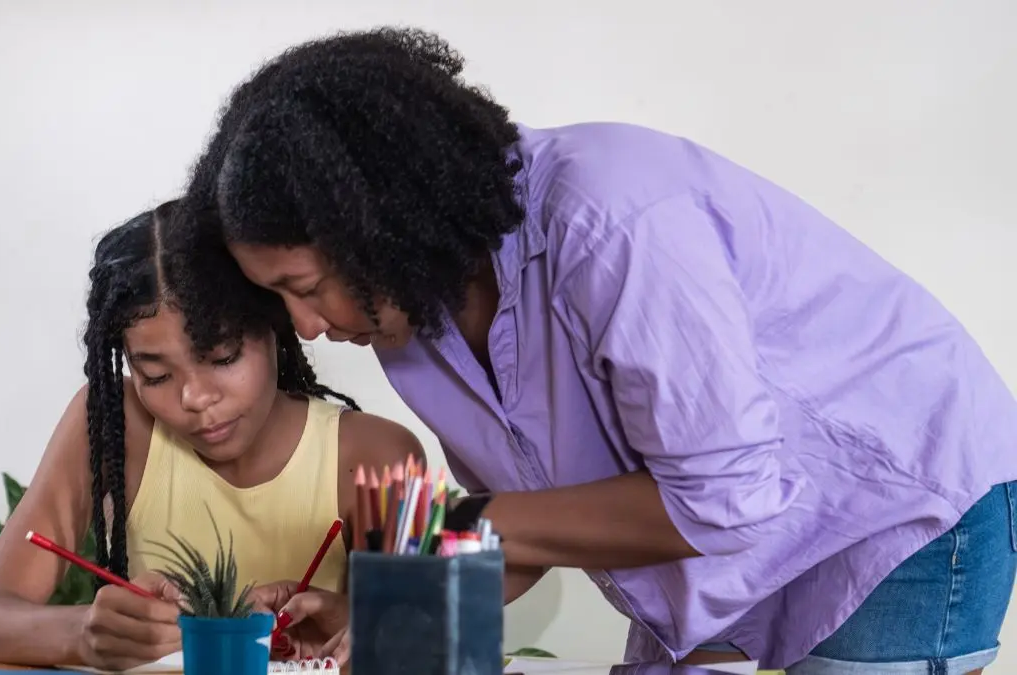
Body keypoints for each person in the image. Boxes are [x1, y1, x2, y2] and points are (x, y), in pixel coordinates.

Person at [180, 26, 1017, 675]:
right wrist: (393, 609)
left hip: (896, 501)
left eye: (307, 283)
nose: (311, 326)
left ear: (381, 218)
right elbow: (535, 535)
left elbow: (720, 495)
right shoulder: (410, 324)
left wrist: (459, 527)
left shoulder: (610, 214)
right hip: (731, 545)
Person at [0, 200, 423, 670]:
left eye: (222, 357)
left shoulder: (373, 455)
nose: (194, 398)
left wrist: (361, 627)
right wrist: (82, 634)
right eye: (155, 375)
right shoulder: (116, 421)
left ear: (276, 325)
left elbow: (416, 646)